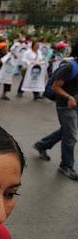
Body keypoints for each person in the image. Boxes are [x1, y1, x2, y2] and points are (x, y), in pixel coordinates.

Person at [33, 44, 78, 180]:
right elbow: (56, 87)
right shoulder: (69, 67)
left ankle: (42, 145)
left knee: (66, 131)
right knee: (71, 136)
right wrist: (69, 97)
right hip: (65, 106)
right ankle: (66, 165)